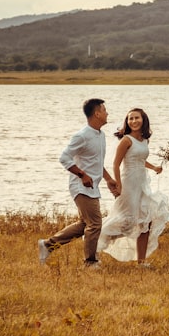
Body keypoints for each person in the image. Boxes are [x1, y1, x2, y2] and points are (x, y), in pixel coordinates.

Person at [38, 98, 119, 269]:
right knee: (95, 223)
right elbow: (64, 157)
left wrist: (108, 179)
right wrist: (82, 174)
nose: (107, 113)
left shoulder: (100, 135)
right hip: (80, 186)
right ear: (97, 114)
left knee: (85, 224)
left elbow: (96, 162)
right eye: (104, 110)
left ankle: (48, 245)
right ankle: (90, 262)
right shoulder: (82, 135)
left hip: (92, 187)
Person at [97, 107, 169, 266]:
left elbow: (140, 159)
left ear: (143, 120)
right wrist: (118, 185)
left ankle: (141, 262)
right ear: (127, 122)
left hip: (142, 184)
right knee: (126, 221)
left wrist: (154, 168)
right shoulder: (126, 140)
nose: (134, 121)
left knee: (146, 221)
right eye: (130, 119)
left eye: (137, 118)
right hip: (128, 184)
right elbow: (116, 164)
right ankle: (96, 241)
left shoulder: (144, 140)